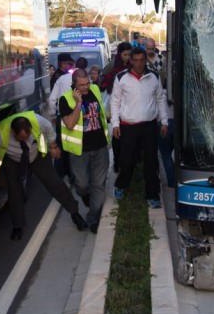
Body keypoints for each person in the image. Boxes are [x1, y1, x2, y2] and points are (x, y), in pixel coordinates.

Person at [0, 111, 87, 240]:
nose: (26, 140)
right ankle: (17, 226)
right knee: (14, 190)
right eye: (22, 139)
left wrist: (53, 147)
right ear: (13, 133)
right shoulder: (0, 133)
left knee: (54, 182)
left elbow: (51, 133)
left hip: (37, 155)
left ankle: (75, 213)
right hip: (13, 159)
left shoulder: (39, 121)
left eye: (28, 135)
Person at [110, 47, 169, 208]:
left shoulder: (154, 77)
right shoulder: (122, 78)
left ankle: (152, 194)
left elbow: (160, 99)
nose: (138, 64)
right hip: (128, 127)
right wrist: (115, 124)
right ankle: (121, 185)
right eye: (135, 60)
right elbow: (115, 102)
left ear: (145, 60)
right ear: (130, 61)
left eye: (141, 60)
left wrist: (164, 121)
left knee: (151, 161)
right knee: (127, 160)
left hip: (149, 127)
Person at [59, 69, 110, 233]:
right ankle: (86, 196)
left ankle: (94, 218)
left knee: (98, 185)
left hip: (100, 147)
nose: (86, 87)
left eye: (87, 83)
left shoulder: (95, 89)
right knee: (82, 185)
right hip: (79, 152)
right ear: (74, 84)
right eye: (82, 85)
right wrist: (78, 103)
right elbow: (69, 124)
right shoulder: (65, 99)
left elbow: (102, 113)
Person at [100, 42, 133, 174]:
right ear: (119, 54)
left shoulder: (134, 65)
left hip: (130, 106)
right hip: (116, 106)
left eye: (129, 55)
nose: (127, 57)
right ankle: (117, 163)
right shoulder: (111, 66)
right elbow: (102, 83)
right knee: (117, 136)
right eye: (125, 55)